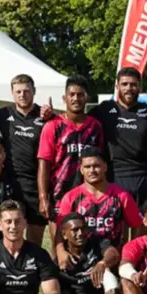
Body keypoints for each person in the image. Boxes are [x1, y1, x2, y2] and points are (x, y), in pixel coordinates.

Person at [0, 74, 51, 244]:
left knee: (35, 238)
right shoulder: (1, 115)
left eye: (26, 91)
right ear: (12, 93)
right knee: (9, 233)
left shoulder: (45, 116)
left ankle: (31, 261)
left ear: (34, 91)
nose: (22, 95)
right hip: (9, 182)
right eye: (18, 92)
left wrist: (52, 116)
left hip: (35, 184)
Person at [89, 67, 147, 206]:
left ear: (140, 87)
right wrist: (50, 117)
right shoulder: (103, 110)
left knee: (143, 219)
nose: (129, 88)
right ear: (117, 86)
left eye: (133, 84)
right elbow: (77, 121)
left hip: (143, 178)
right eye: (124, 84)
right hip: (114, 177)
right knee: (115, 220)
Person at [37, 75, 104, 224]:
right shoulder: (53, 126)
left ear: (86, 98)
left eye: (80, 95)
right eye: (72, 94)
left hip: (89, 195)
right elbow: (44, 164)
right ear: (64, 98)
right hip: (59, 194)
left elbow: (100, 163)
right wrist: (43, 198)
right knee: (59, 238)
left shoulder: (95, 127)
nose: (76, 99)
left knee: (87, 237)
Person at [55, 212, 131, 294]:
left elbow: (114, 254)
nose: (80, 233)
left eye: (83, 228)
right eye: (75, 230)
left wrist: (102, 263)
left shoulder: (96, 242)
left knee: (106, 273)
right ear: (64, 235)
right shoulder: (60, 262)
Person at [55, 148, 142, 255]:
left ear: (105, 167)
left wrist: (132, 253)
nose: (92, 170)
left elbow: (137, 225)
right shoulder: (70, 197)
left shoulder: (121, 196)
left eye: (96, 166)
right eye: (87, 167)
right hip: (80, 258)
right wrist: (61, 252)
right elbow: (61, 229)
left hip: (113, 258)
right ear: (81, 170)